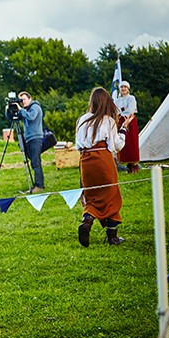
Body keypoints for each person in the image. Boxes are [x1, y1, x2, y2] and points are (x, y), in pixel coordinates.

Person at [75, 87, 132, 247]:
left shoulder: (82, 119)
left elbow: (77, 146)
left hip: (85, 161)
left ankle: (86, 222)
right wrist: (124, 129)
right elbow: (117, 145)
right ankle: (112, 237)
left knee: (92, 196)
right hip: (103, 160)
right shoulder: (108, 120)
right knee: (111, 196)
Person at [8, 91, 45, 193]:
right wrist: (8, 110)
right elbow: (12, 118)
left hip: (36, 137)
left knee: (36, 162)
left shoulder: (35, 107)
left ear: (29, 98)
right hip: (28, 138)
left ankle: (39, 185)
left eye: (23, 100)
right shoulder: (25, 110)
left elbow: (31, 117)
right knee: (33, 161)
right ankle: (36, 184)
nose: (22, 102)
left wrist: (20, 109)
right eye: (21, 101)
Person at [113, 80, 140, 174]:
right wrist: (119, 115)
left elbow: (131, 109)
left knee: (131, 142)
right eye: (121, 87)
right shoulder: (117, 100)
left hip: (130, 121)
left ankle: (133, 165)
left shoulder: (131, 98)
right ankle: (127, 165)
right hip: (120, 121)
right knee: (122, 142)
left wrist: (123, 114)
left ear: (128, 89)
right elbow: (115, 110)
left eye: (125, 87)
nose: (123, 89)